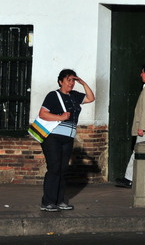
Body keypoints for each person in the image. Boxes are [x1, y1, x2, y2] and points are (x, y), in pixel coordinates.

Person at [39, 69, 95, 211]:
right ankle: (47, 202)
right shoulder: (53, 95)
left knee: (63, 169)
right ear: (60, 81)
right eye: (68, 80)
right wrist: (60, 117)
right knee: (54, 168)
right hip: (52, 137)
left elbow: (90, 98)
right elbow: (43, 114)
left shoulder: (74, 96)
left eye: (73, 80)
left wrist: (83, 83)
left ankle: (59, 201)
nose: (71, 83)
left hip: (68, 138)